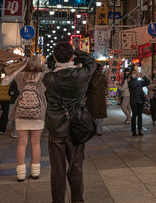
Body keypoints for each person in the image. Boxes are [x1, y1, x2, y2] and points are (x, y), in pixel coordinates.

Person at [42, 42, 96, 203]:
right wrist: (77, 51)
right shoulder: (82, 75)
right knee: (76, 168)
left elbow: (50, 66)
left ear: (55, 57)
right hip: (76, 129)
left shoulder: (48, 78)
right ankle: (78, 200)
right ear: (72, 56)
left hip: (56, 129)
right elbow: (92, 62)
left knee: (57, 171)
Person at [2, 56, 47, 182]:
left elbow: (13, 74)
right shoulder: (43, 76)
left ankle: (20, 174)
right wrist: (41, 64)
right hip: (38, 113)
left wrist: (24, 65)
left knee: (22, 144)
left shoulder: (20, 76)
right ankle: (35, 172)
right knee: (36, 143)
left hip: (22, 112)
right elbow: (48, 72)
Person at [86, 63, 107, 136]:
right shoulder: (103, 76)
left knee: (92, 114)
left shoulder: (91, 76)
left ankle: (93, 129)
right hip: (101, 98)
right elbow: (105, 87)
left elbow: (87, 87)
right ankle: (99, 131)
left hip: (92, 97)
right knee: (100, 114)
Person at [127, 68, 150, 136]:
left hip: (140, 100)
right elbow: (133, 85)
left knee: (140, 116)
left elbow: (147, 83)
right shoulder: (130, 82)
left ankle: (139, 130)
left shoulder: (139, 81)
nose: (135, 74)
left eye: (136, 73)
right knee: (134, 115)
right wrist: (136, 79)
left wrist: (143, 76)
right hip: (133, 101)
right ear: (131, 75)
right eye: (133, 73)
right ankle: (134, 130)